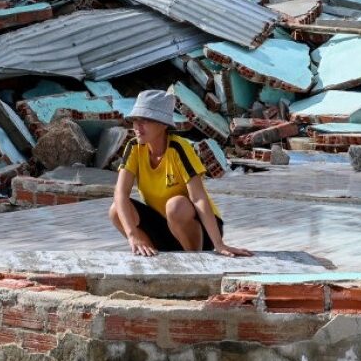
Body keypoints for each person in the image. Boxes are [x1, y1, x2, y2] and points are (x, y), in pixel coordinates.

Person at [108, 89, 253, 258]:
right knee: (115, 210)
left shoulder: (179, 148)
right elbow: (120, 193)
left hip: (199, 228)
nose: (137, 127)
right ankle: (147, 254)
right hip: (163, 227)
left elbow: (198, 198)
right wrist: (132, 235)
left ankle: (194, 257)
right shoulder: (134, 147)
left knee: (175, 206)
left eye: (145, 120)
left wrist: (219, 245)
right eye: (135, 120)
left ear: (162, 124)